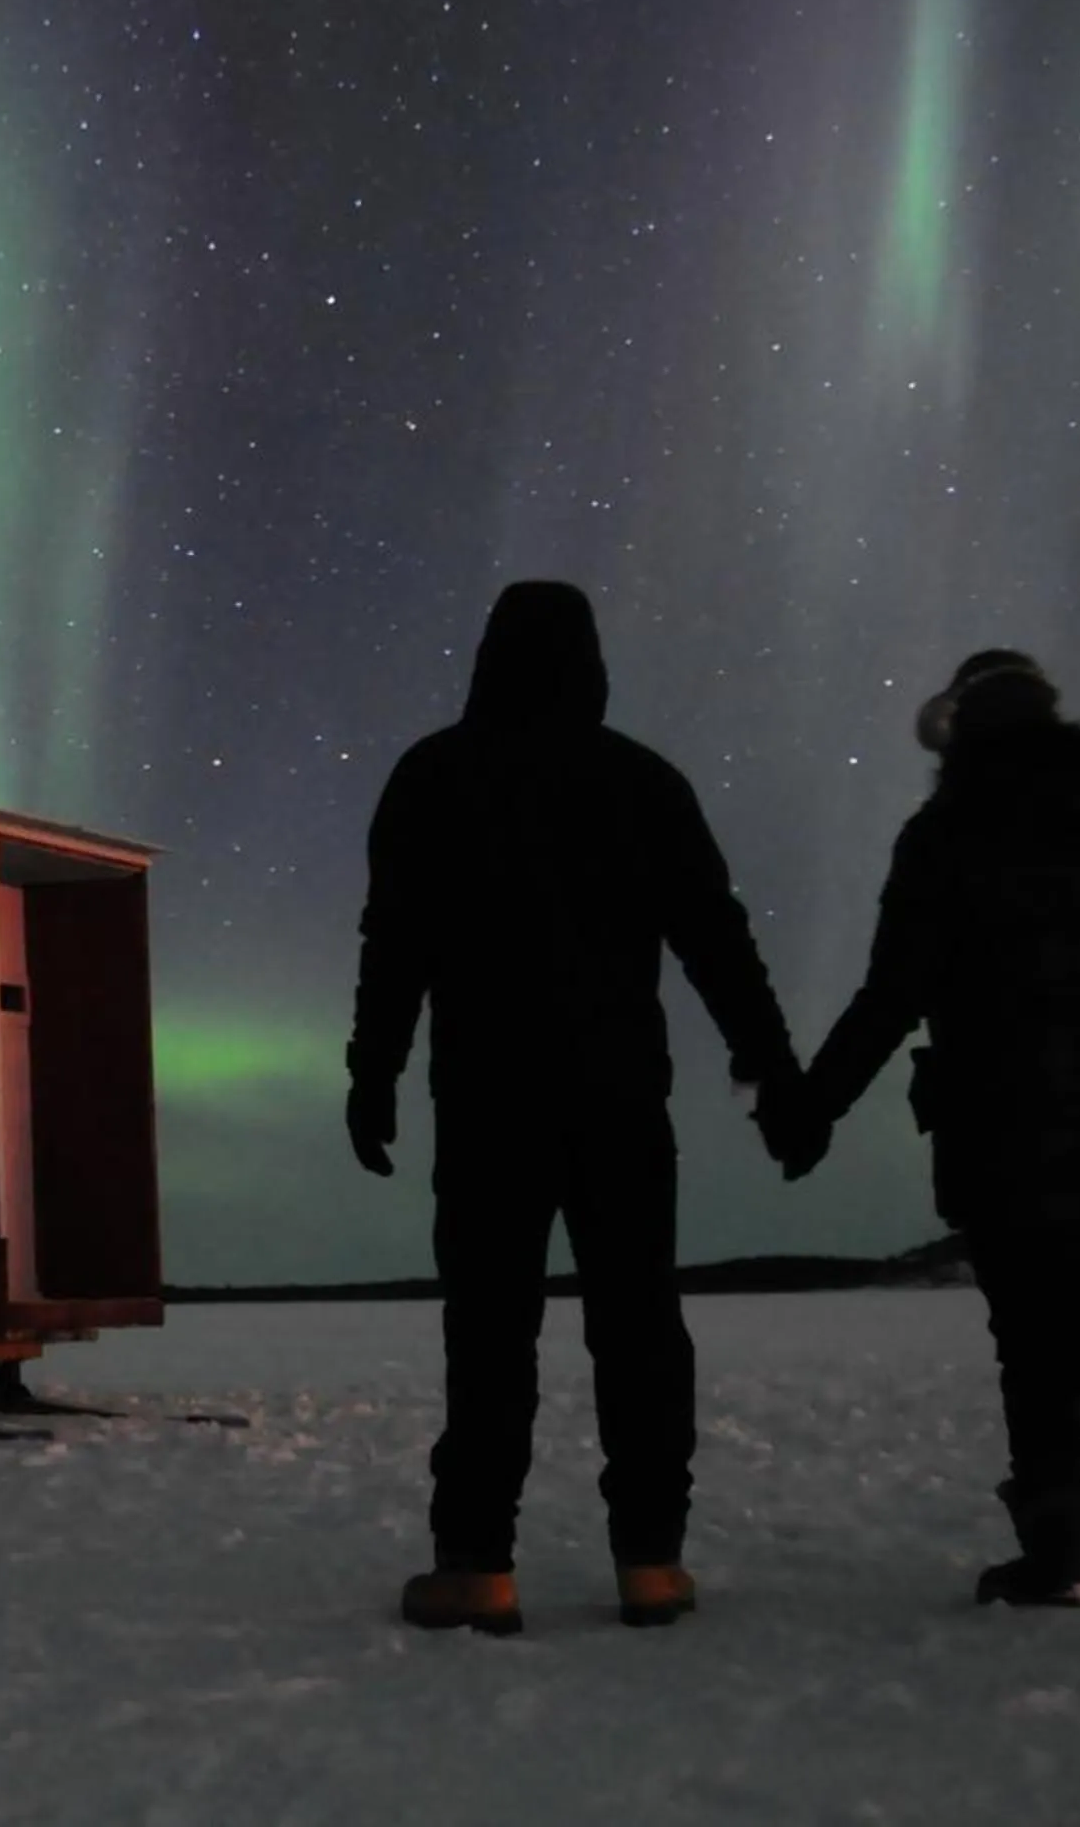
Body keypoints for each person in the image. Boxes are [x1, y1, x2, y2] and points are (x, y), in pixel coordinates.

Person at [345, 580, 799, 1635]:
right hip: (620, 1097)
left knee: (490, 1330)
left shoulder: (434, 774)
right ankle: (651, 1560)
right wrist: (769, 1065)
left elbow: (394, 943)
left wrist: (374, 1071)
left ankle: (476, 1564)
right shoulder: (641, 780)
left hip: (487, 1099)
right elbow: (715, 941)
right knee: (639, 1323)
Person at [758, 650, 1080, 1608]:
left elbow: (891, 994)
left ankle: (1060, 1552)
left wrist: (809, 1108)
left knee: (1033, 1338)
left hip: (1004, 1128)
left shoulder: (945, 836)